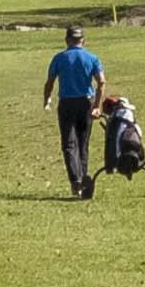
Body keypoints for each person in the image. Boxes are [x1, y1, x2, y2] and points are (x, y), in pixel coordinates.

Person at [41, 24, 107, 198]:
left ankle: (75, 181)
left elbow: (50, 82)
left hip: (67, 104)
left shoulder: (59, 58)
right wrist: (97, 106)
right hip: (87, 102)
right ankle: (83, 181)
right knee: (83, 143)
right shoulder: (92, 58)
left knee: (69, 144)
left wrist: (47, 99)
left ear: (67, 40)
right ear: (83, 41)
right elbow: (101, 82)